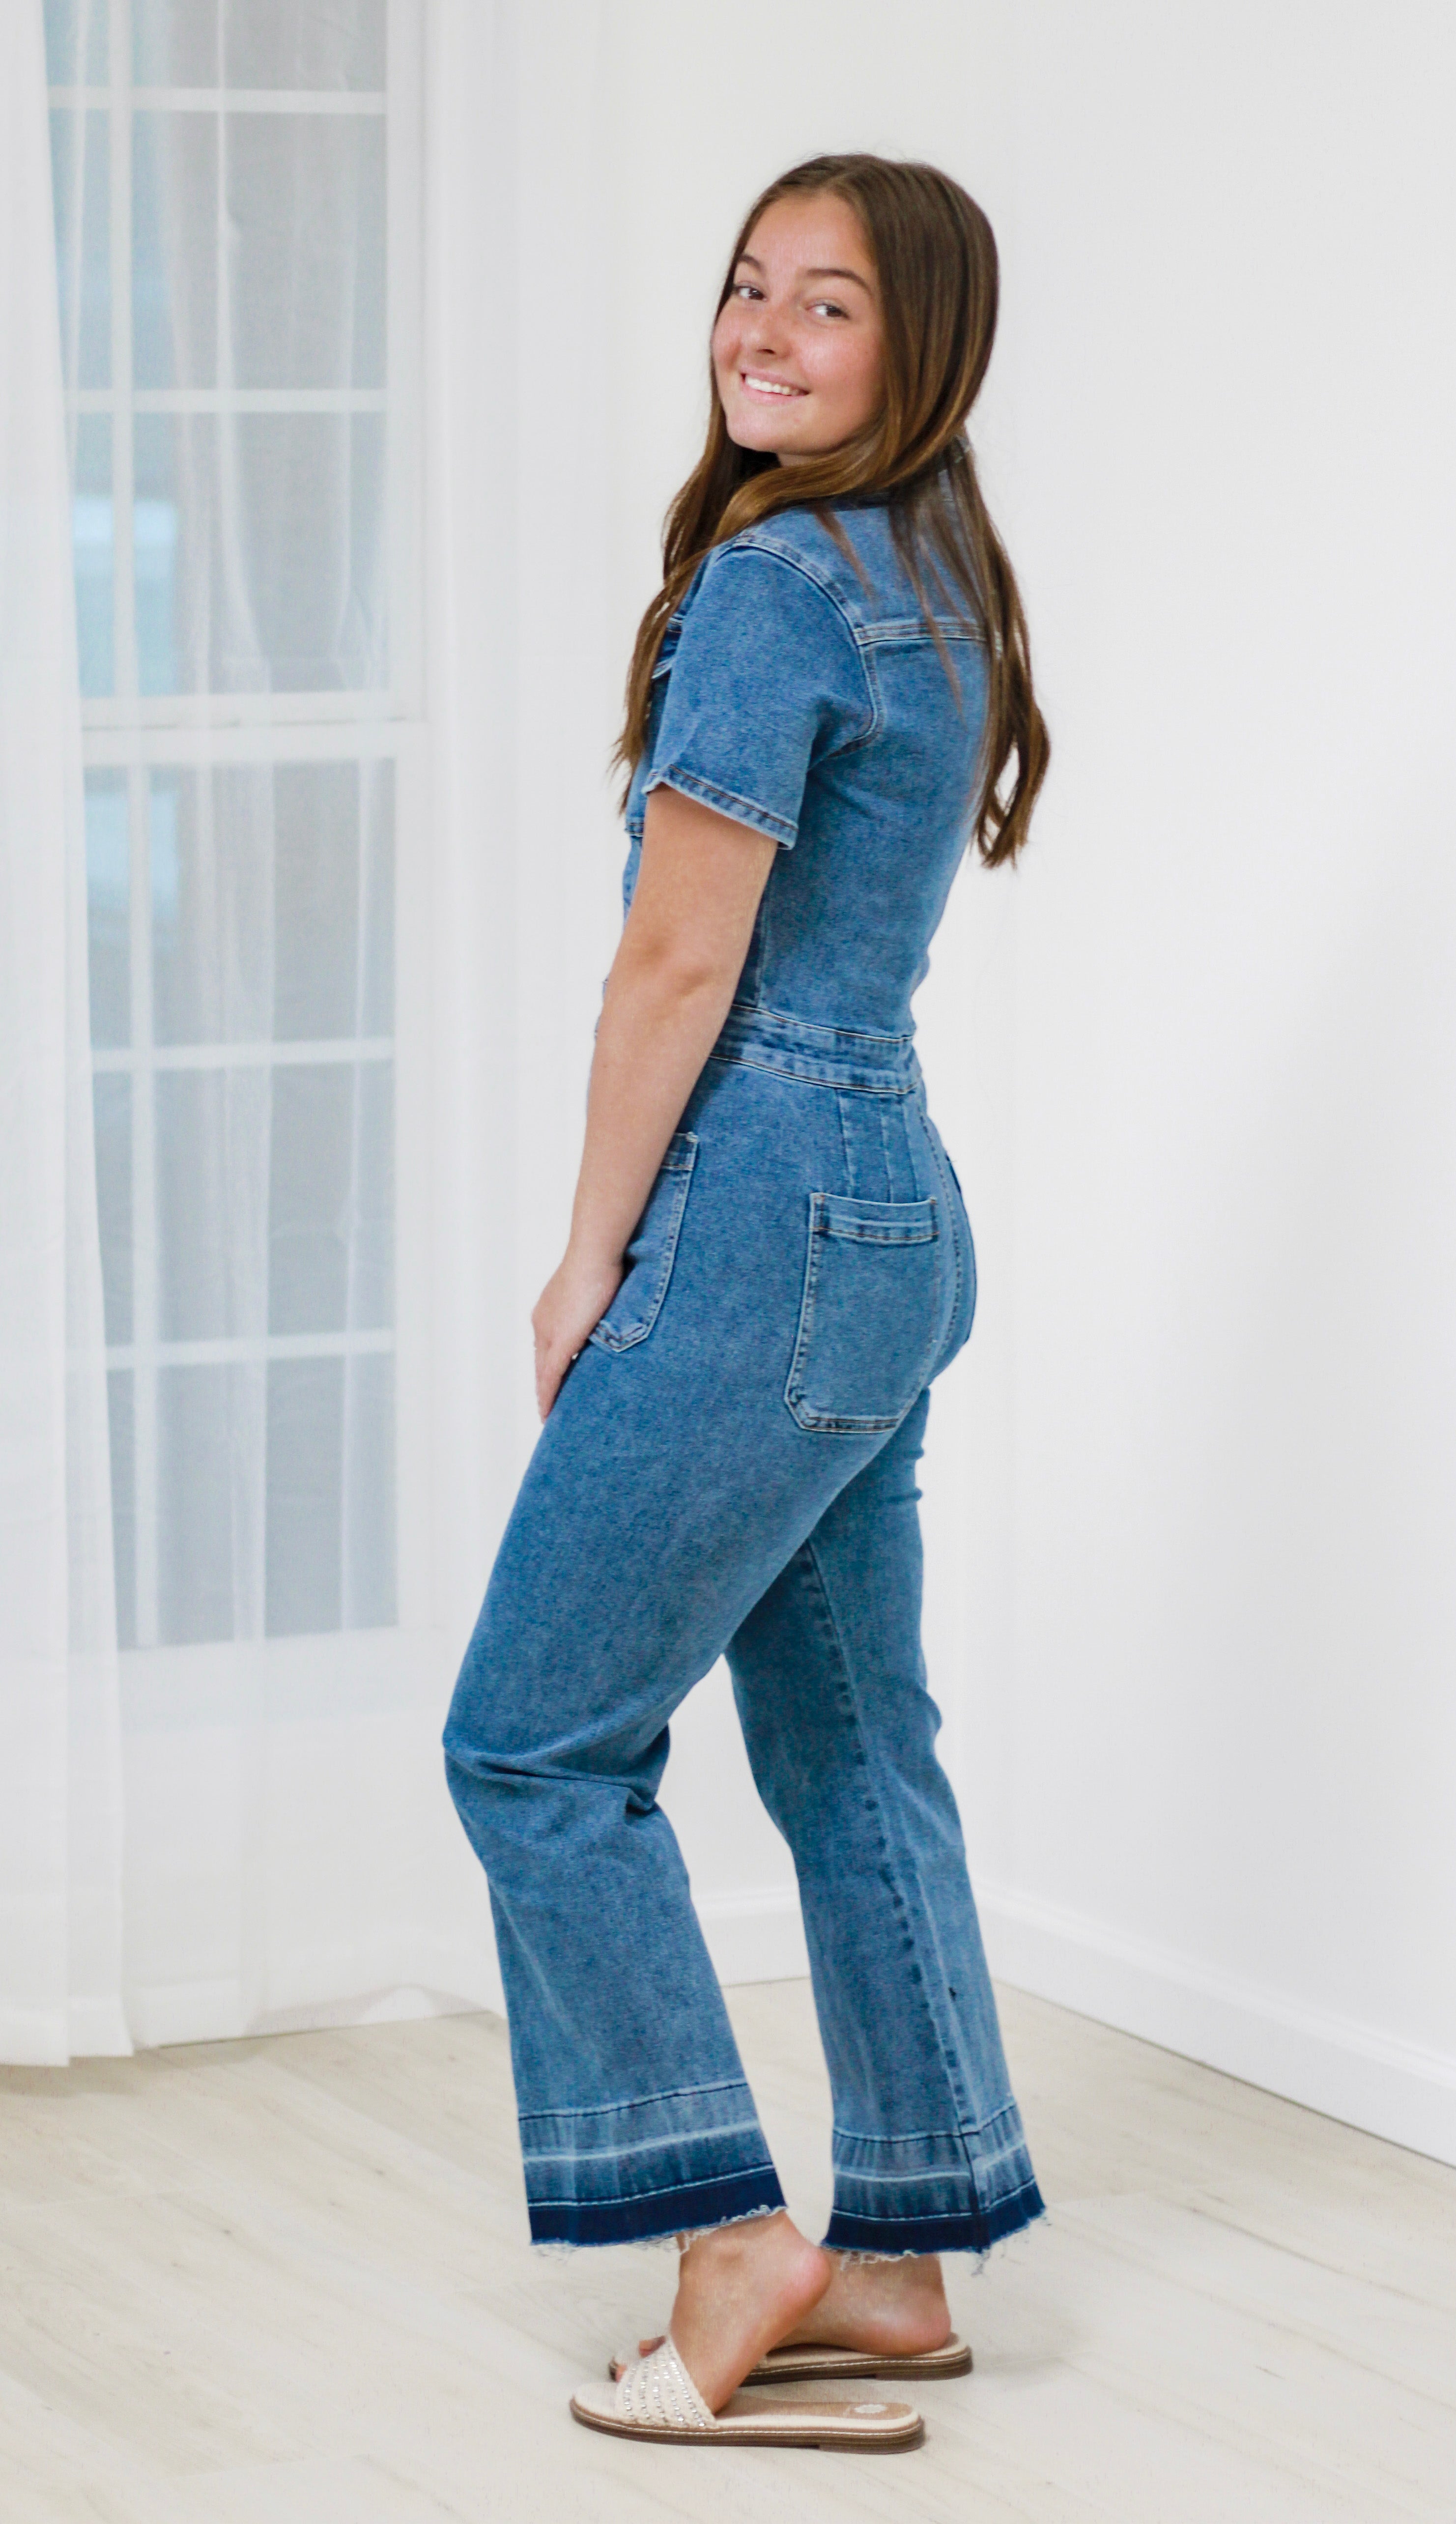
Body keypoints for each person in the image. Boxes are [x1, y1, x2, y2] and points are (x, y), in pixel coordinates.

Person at [444, 152, 1050, 2454]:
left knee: (534, 1746)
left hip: (757, 1207)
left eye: (830, 306)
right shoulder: (931, 572)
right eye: (746, 288)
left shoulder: (778, 583)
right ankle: (895, 2261)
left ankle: (728, 2244)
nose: (764, 334)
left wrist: (592, 1251)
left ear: (920, 348)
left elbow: (676, 965)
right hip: (889, 1208)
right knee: (851, 1743)